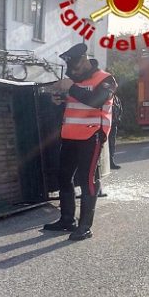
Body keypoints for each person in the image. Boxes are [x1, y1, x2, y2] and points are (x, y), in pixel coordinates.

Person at [43, 43, 117, 241]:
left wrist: (71, 88)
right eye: (70, 70)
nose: (72, 73)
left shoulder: (105, 79)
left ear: (84, 61)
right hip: (70, 135)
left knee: (87, 180)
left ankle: (85, 226)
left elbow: (95, 101)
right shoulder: (75, 81)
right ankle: (67, 220)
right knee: (64, 177)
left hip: (92, 136)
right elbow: (75, 103)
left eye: (74, 68)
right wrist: (59, 99)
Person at [109, 93, 122, 169]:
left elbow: (120, 109)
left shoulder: (116, 99)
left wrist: (118, 118)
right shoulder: (105, 97)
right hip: (105, 124)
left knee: (112, 144)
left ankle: (111, 162)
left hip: (113, 124)